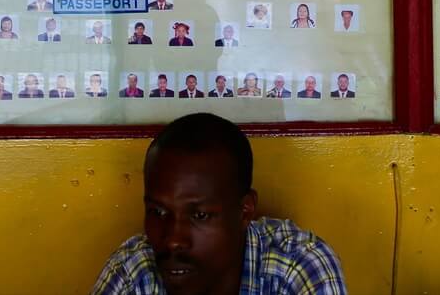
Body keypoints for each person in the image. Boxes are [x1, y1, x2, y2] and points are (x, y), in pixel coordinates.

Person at [91, 113, 346, 294]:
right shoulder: (134, 273)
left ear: (245, 210)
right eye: (157, 212)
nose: (173, 240)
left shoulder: (296, 266)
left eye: (199, 216)